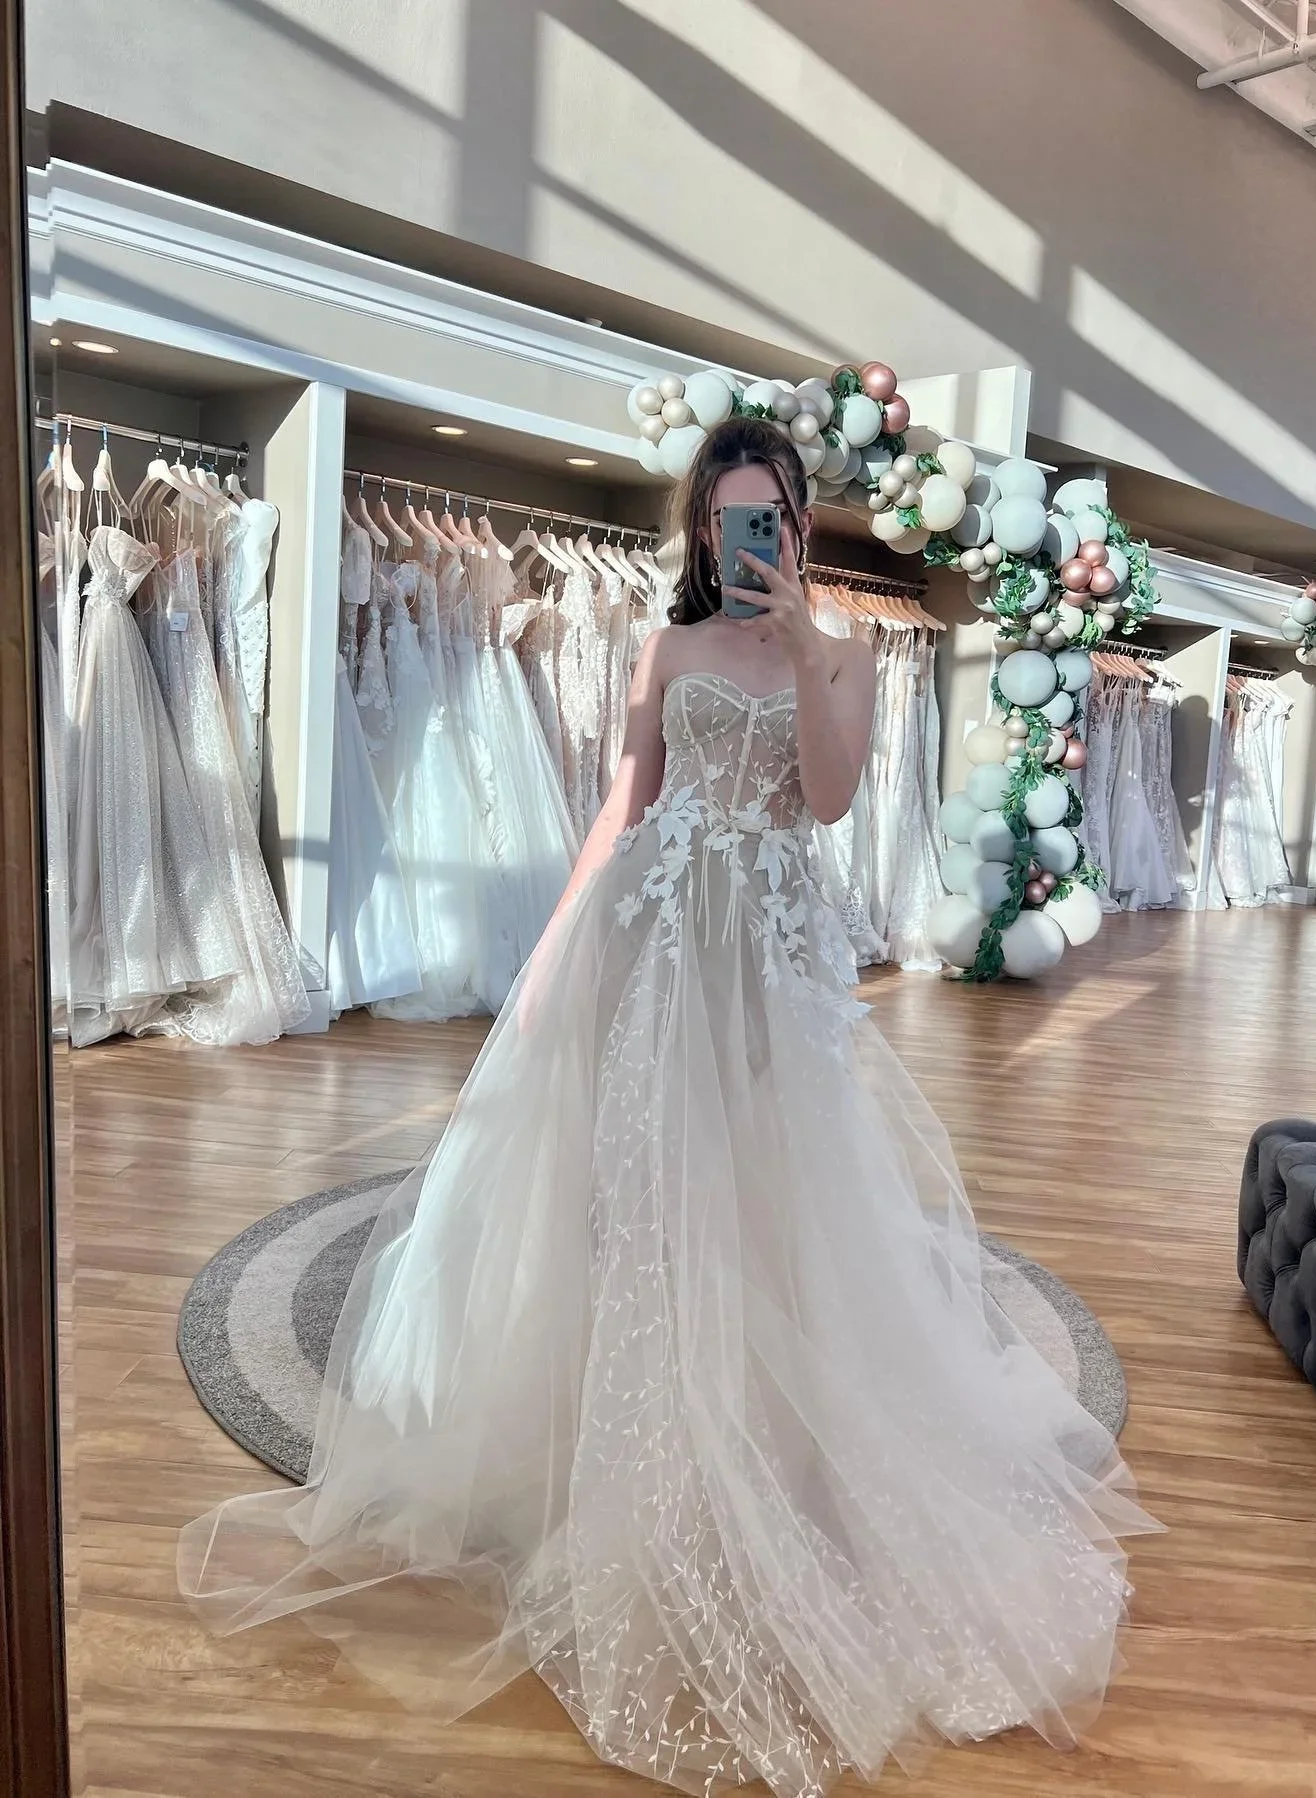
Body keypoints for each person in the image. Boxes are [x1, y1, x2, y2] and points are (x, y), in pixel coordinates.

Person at [178, 418, 1156, 1798]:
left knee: (770, 1201)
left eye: (773, 518)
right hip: (654, 948)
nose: (748, 540)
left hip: (768, 967)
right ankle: (630, 1455)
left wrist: (811, 637)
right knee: (633, 1195)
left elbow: (823, 800)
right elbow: (625, 809)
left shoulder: (843, 656)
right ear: (702, 530)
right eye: (728, 520)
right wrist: (555, 948)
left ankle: (772, 1449)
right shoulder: (664, 648)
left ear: (802, 528)